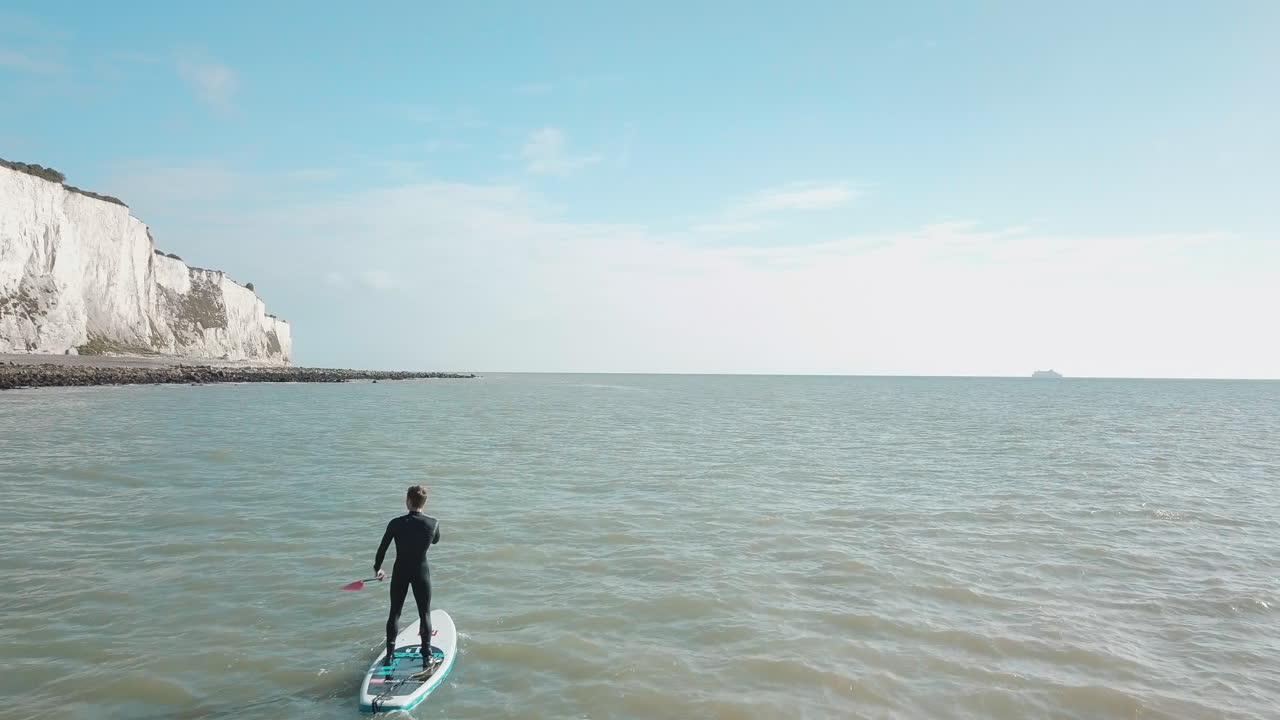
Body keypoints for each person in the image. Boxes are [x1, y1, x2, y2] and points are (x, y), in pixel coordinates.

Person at [374, 484, 441, 670]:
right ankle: (426, 656)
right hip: (421, 572)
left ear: (408, 501)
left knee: (394, 613)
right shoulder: (433, 523)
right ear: (424, 502)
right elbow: (435, 540)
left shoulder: (395, 523)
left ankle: (390, 655)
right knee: (424, 613)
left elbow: (382, 548)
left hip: (400, 572)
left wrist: (378, 569)